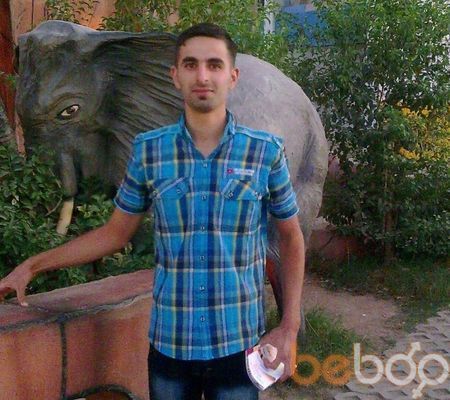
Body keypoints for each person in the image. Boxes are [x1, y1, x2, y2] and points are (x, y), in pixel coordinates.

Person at [0, 23, 304, 400]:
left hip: (238, 347)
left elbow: (291, 237)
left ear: (232, 76)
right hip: (170, 347)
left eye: (214, 65)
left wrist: (289, 325)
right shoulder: (149, 151)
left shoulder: (265, 151)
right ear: (175, 76)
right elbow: (114, 233)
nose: (202, 76)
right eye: (191, 64)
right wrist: (32, 266)